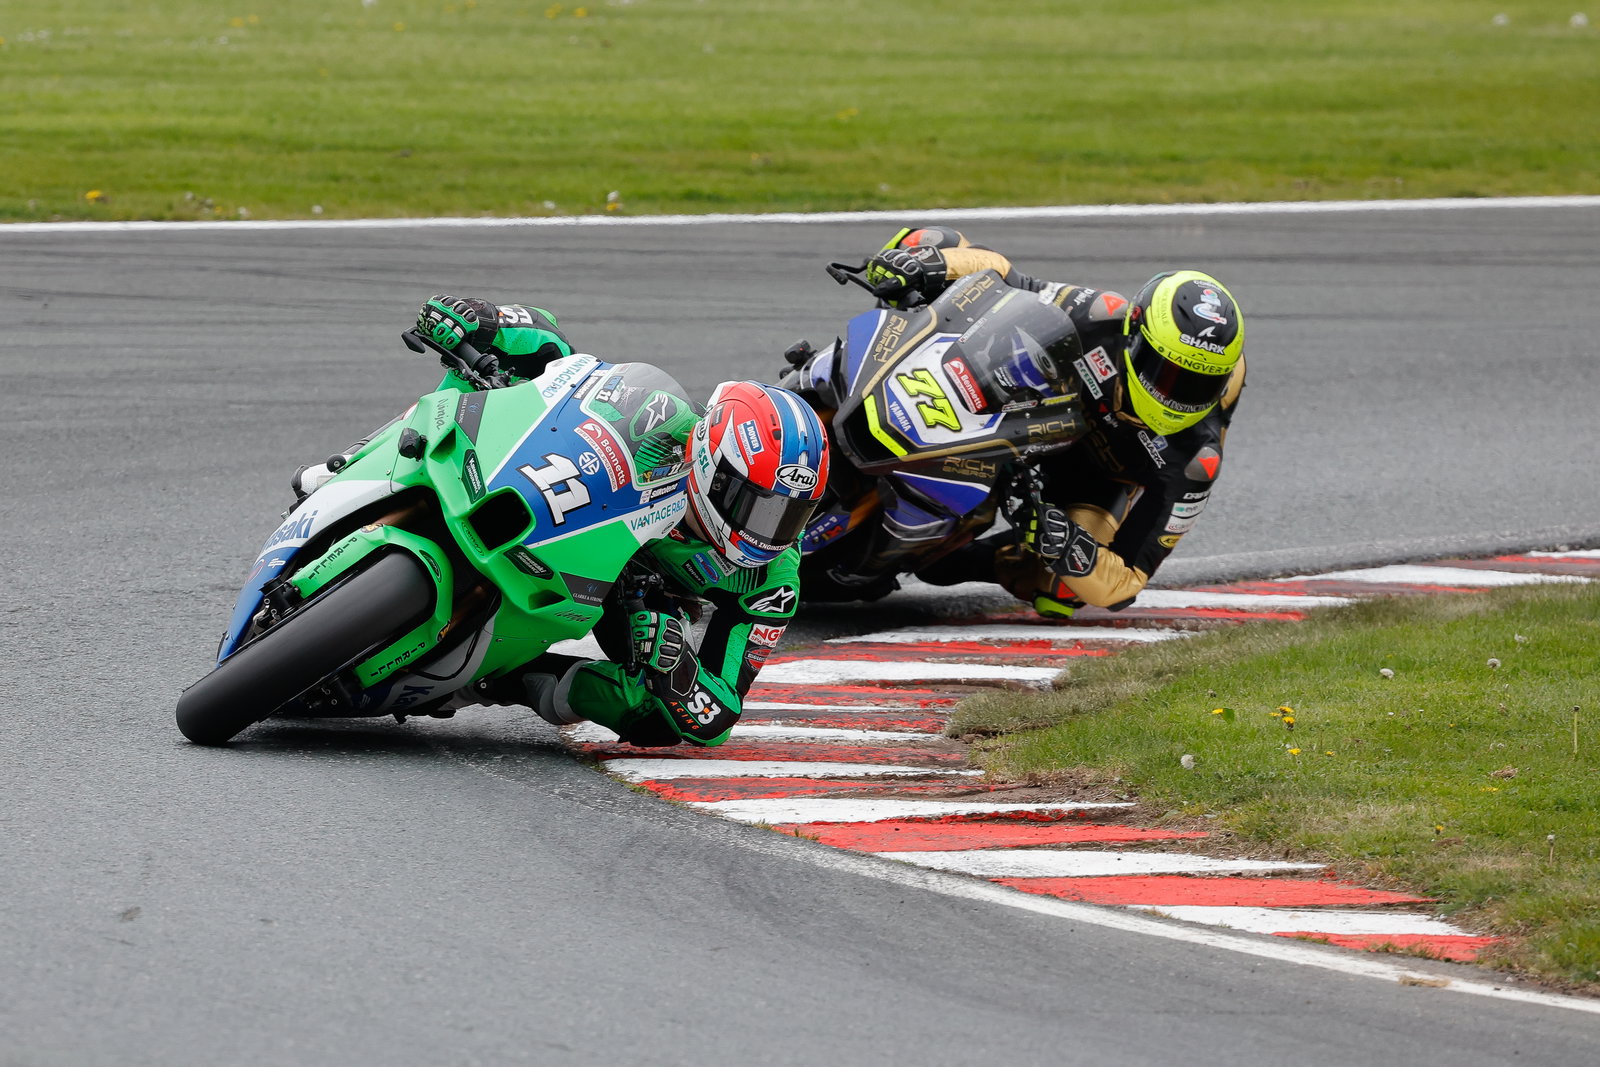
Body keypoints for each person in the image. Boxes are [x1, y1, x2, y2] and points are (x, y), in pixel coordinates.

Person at [412, 295, 831, 748]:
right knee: (537, 350)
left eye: (791, 514)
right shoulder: (658, 424)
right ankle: (350, 470)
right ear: (714, 466)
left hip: (635, 602)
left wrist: (678, 670)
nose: (770, 531)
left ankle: (505, 679)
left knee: (660, 722)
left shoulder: (774, 581)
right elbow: (563, 363)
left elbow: (718, 717)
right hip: (572, 505)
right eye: (760, 507)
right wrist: (488, 323)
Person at [860, 228, 1246, 618]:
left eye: (1200, 384)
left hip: (1094, 478)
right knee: (931, 242)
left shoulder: (1196, 459)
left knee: (1062, 588)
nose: (1174, 395)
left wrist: (1064, 545)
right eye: (1167, 373)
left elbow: (1125, 584)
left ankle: (959, 557)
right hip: (1030, 411)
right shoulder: (1101, 313)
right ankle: (871, 348)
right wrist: (933, 265)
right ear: (1135, 334)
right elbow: (1007, 278)